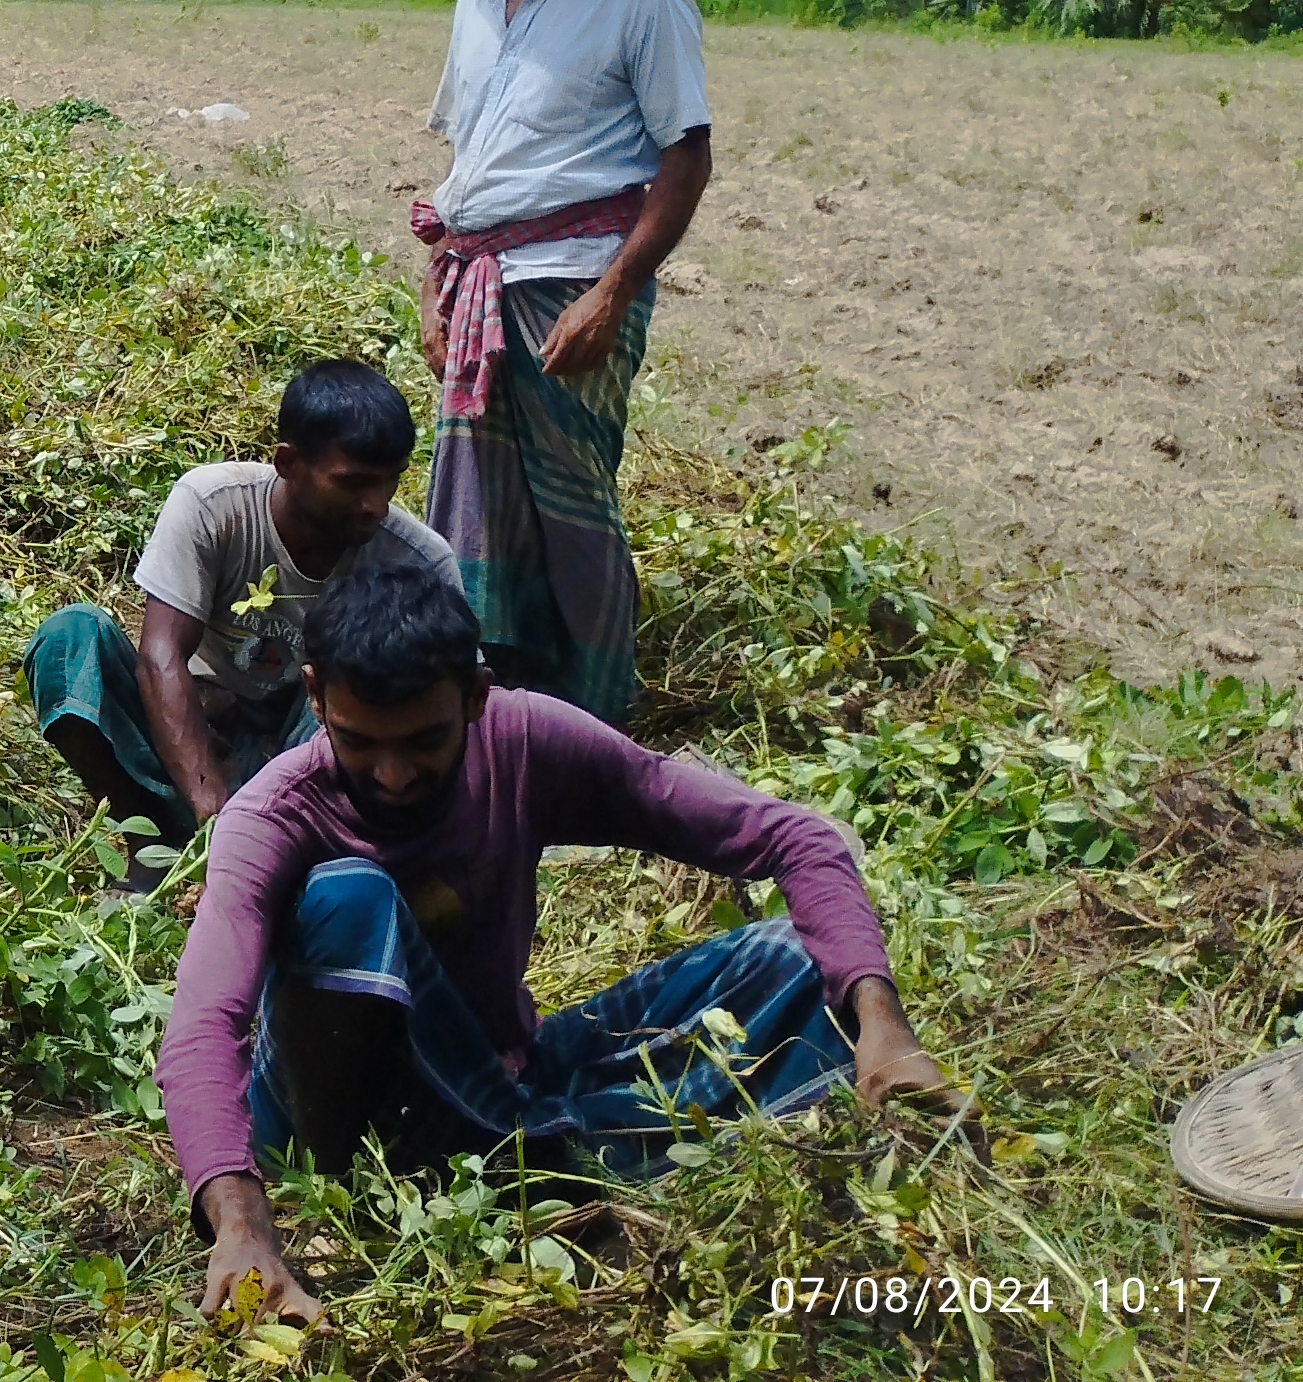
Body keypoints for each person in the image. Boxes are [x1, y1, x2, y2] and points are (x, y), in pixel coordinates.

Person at [167, 556, 952, 1326]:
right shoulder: (272, 819)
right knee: (351, 898)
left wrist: (886, 1027)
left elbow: (794, 838)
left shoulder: (523, 741)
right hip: (338, 1119)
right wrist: (242, 1225)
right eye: (359, 742)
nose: (394, 774)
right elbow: (204, 1024)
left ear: (475, 697)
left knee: (797, 959)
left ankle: (537, 1162)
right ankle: (396, 1191)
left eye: (424, 741)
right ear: (316, 696)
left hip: (497, 1079)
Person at [398, 0, 713, 724]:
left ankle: (594, 714)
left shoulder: (643, 1)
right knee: (479, 500)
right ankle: (493, 695)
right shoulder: (475, 1)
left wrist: (613, 293)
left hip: (574, 275)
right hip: (480, 277)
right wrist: (434, 288)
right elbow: (468, 159)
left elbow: (686, 158)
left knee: (570, 499)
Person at [26, 360, 457, 887]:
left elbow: (448, 709)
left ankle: (290, 857)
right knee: (69, 639)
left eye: (391, 481)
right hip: (195, 732)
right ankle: (150, 841)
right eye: (353, 483)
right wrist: (212, 811)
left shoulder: (418, 561)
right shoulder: (214, 505)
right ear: (288, 463)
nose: (377, 505)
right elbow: (160, 654)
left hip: (309, 754)